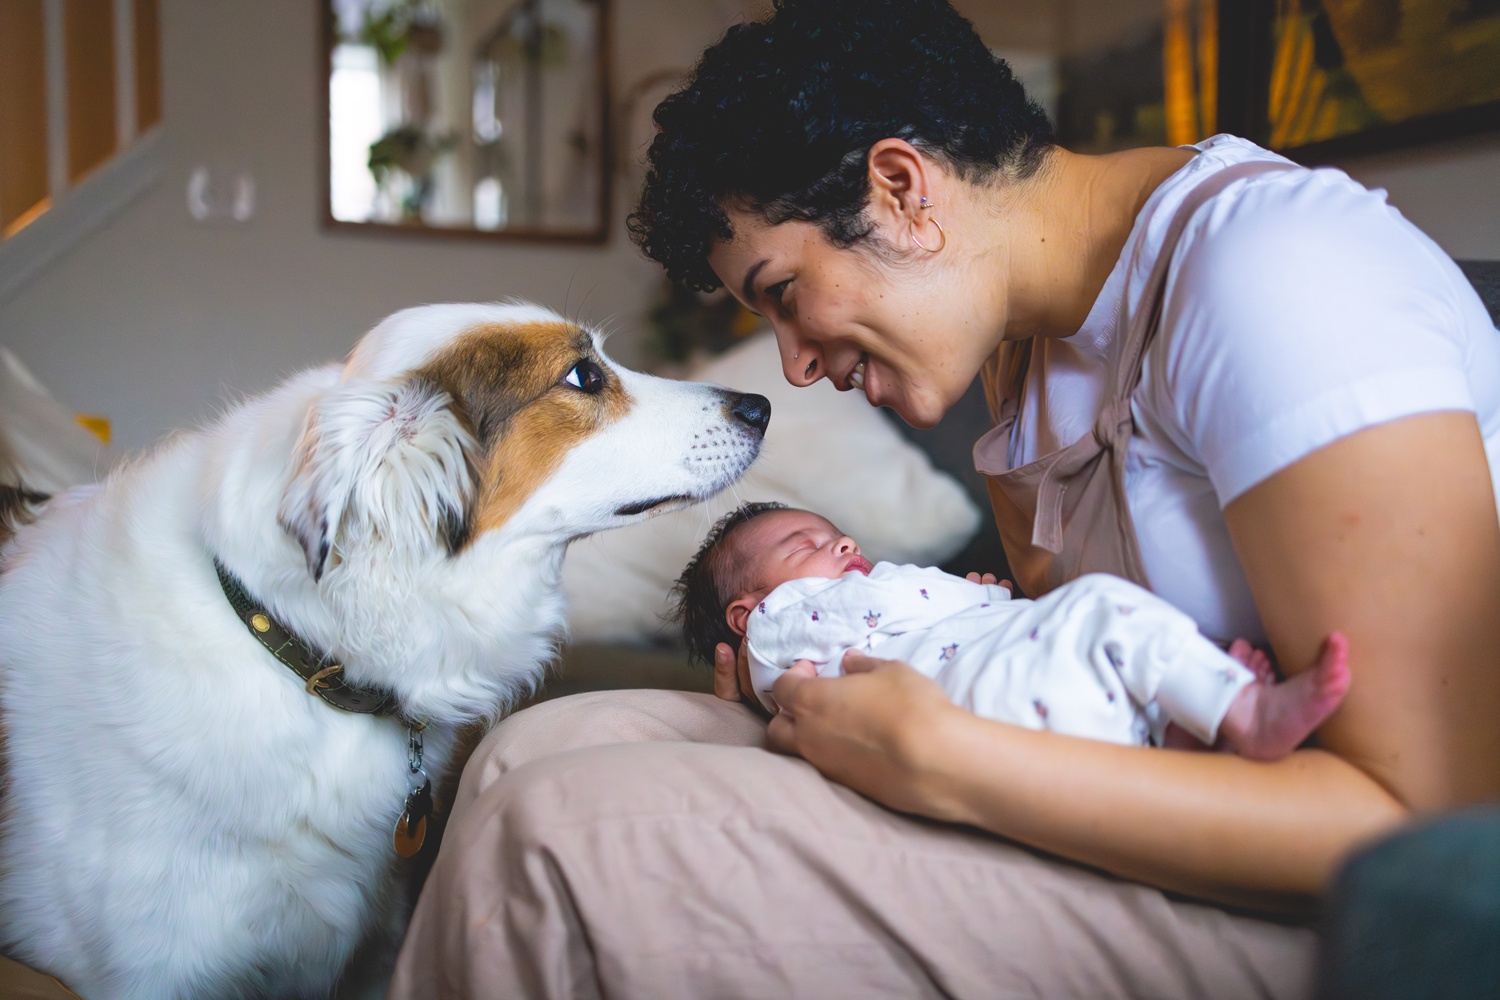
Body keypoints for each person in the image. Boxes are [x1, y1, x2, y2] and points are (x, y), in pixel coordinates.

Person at [388, 1, 1500, 996]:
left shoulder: (1277, 276)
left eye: (784, 295)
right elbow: (1032, 653)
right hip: (1126, 784)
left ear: (902, 188)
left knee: (558, 837)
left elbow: (1426, 824)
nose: (795, 366)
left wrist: (949, 766)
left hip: (1339, 906)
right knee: (537, 750)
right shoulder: (1025, 359)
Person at [674, 501, 1350, 759]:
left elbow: (898, 613)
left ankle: (1183, 725)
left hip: (991, 688)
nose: (843, 540)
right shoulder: (777, 626)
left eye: (835, 531)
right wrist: (950, 594)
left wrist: (973, 608)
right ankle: (1242, 709)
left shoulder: (819, 640)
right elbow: (883, 601)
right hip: (975, 696)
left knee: (1098, 663)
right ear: (747, 609)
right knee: (1101, 606)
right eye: (806, 542)